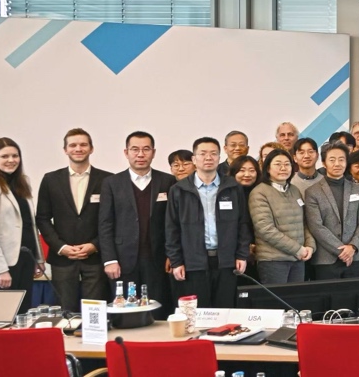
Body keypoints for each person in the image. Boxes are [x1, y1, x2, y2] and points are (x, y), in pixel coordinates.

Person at [165, 137, 253, 308]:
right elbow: (171, 228)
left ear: (219, 158)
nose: (208, 157)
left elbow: (243, 223)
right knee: (198, 313)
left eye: (213, 153)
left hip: (227, 261)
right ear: (194, 159)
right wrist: (176, 261)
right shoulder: (179, 190)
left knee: (225, 310)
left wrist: (242, 255)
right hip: (193, 263)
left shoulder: (233, 187)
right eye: (203, 153)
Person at [98, 131, 176, 318]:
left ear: (153, 152)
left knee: (159, 310)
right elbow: (105, 223)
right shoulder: (111, 183)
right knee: (126, 312)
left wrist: (173, 256)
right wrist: (110, 260)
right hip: (122, 259)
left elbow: (173, 223)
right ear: (126, 153)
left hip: (158, 259)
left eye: (146, 149)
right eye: (135, 149)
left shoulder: (167, 181)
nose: (140, 154)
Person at [35, 129, 112, 313]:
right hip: (63, 258)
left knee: (95, 313)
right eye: (73, 145)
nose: (78, 149)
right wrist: (61, 247)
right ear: (65, 150)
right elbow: (42, 218)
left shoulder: (108, 180)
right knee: (65, 311)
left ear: (91, 148)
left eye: (83, 144)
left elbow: (113, 219)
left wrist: (95, 245)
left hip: (96, 257)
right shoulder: (50, 180)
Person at [0, 137, 44, 313]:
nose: (11, 160)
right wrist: (1, 269)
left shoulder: (22, 183)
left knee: (22, 313)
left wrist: (38, 259)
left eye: (15, 155)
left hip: (24, 259)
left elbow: (29, 224)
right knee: (0, 315)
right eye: (4, 156)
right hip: (1, 263)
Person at [303, 142, 359, 279]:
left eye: (341, 159)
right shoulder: (312, 192)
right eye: (332, 160)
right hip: (326, 259)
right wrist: (341, 250)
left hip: (354, 256)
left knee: (356, 292)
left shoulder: (357, 189)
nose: (337, 164)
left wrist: (352, 246)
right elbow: (316, 226)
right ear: (324, 163)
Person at [249, 149, 314, 284]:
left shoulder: (294, 190)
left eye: (287, 164)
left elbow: (304, 222)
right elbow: (265, 229)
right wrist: (297, 249)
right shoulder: (259, 192)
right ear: (268, 168)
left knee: (296, 296)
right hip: (273, 260)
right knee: (277, 297)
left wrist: (310, 246)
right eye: (278, 164)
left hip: (298, 259)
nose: (283, 168)